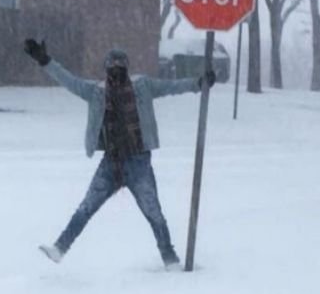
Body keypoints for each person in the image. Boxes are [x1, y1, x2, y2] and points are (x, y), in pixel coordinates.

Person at [23, 39, 216, 271]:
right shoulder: (96, 92)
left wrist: (198, 83)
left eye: (120, 67)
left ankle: (170, 259)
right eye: (112, 67)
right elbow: (69, 81)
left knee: (153, 212)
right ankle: (60, 248)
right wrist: (45, 61)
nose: (115, 72)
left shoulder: (143, 86)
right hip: (111, 163)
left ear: (126, 67)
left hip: (138, 163)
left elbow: (171, 87)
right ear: (106, 69)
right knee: (86, 207)